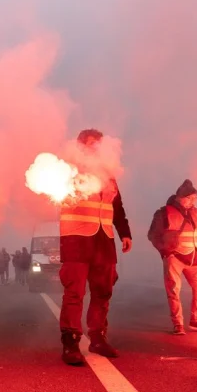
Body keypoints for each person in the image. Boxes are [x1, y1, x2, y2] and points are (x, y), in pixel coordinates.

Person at [58, 129, 132, 365]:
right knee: (75, 292)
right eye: (91, 144)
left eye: (98, 145)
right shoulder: (68, 171)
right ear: (80, 146)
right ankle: (70, 342)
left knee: (103, 291)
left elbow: (117, 208)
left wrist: (125, 234)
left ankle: (98, 338)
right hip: (76, 239)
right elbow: (59, 197)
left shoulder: (109, 175)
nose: (95, 149)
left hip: (104, 239)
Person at [147, 180, 197, 335]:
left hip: (195, 258)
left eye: (195, 198)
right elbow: (153, 235)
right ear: (179, 197)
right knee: (174, 290)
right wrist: (165, 252)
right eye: (189, 198)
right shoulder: (163, 213)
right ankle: (177, 324)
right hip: (174, 257)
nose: (192, 201)